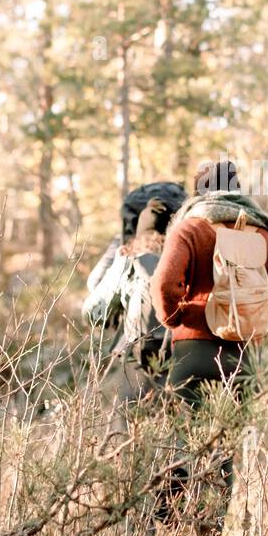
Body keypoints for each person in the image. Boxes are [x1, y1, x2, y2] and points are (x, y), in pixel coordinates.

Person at [150, 160, 268, 536]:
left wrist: (180, 318)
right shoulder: (263, 233)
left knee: (179, 445)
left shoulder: (191, 226)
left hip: (189, 353)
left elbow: (165, 285)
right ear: (237, 188)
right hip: (239, 359)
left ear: (198, 191)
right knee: (223, 454)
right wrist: (260, 323)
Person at [83, 183, 186, 445]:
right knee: (180, 438)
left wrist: (119, 256)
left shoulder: (131, 254)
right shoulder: (193, 248)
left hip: (137, 358)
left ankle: (130, 478)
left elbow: (96, 310)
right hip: (187, 355)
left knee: (123, 432)